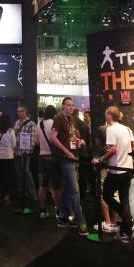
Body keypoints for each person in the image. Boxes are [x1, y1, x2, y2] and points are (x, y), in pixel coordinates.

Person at [95, 106, 134, 242]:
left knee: (106, 195)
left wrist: (100, 159)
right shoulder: (127, 129)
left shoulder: (111, 130)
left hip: (116, 170)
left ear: (109, 116)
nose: (105, 116)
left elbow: (113, 150)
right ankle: (127, 229)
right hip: (127, 169)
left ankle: (127, 221)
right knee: (124, 200)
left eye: (106, 114)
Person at [50, 97, 88, 234]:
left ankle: (63, 217)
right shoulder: (59, 118)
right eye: (68, 105)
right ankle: (81, 222)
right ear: (63, 106)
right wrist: (66, 152)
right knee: (74, 190)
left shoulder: (72, 119)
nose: (70, 107)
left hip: (73, 157)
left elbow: (72, 137)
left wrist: (79, 141)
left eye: (72, 105)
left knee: (67, 188)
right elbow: (53, 137)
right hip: (64, 158)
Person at [35, 105, 61, 219]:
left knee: (42, 185)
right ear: (54, 113)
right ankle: (58, 211)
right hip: (54, 158)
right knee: (56, 187)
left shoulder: (39, 124)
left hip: (42, 157)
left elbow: (37, 142)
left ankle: (42, 210)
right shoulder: (55, 123)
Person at [12, 105, 37, 213]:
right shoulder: (16, 122)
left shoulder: (31, 123)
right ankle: (22, 192)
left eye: (21, 111)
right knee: (19, 173)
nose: (19, 113)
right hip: (16, 152)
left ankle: (32, 194)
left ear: (25, 111)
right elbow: (13, 136)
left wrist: (29, 152)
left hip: (25, 153)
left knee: (26, 172)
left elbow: (33, 138)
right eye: (17, 111)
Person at [0, 113, 15, 205]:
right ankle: (6, 196)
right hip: (8, 156)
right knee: (7, 177)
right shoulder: (11, 131)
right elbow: (14, 144)